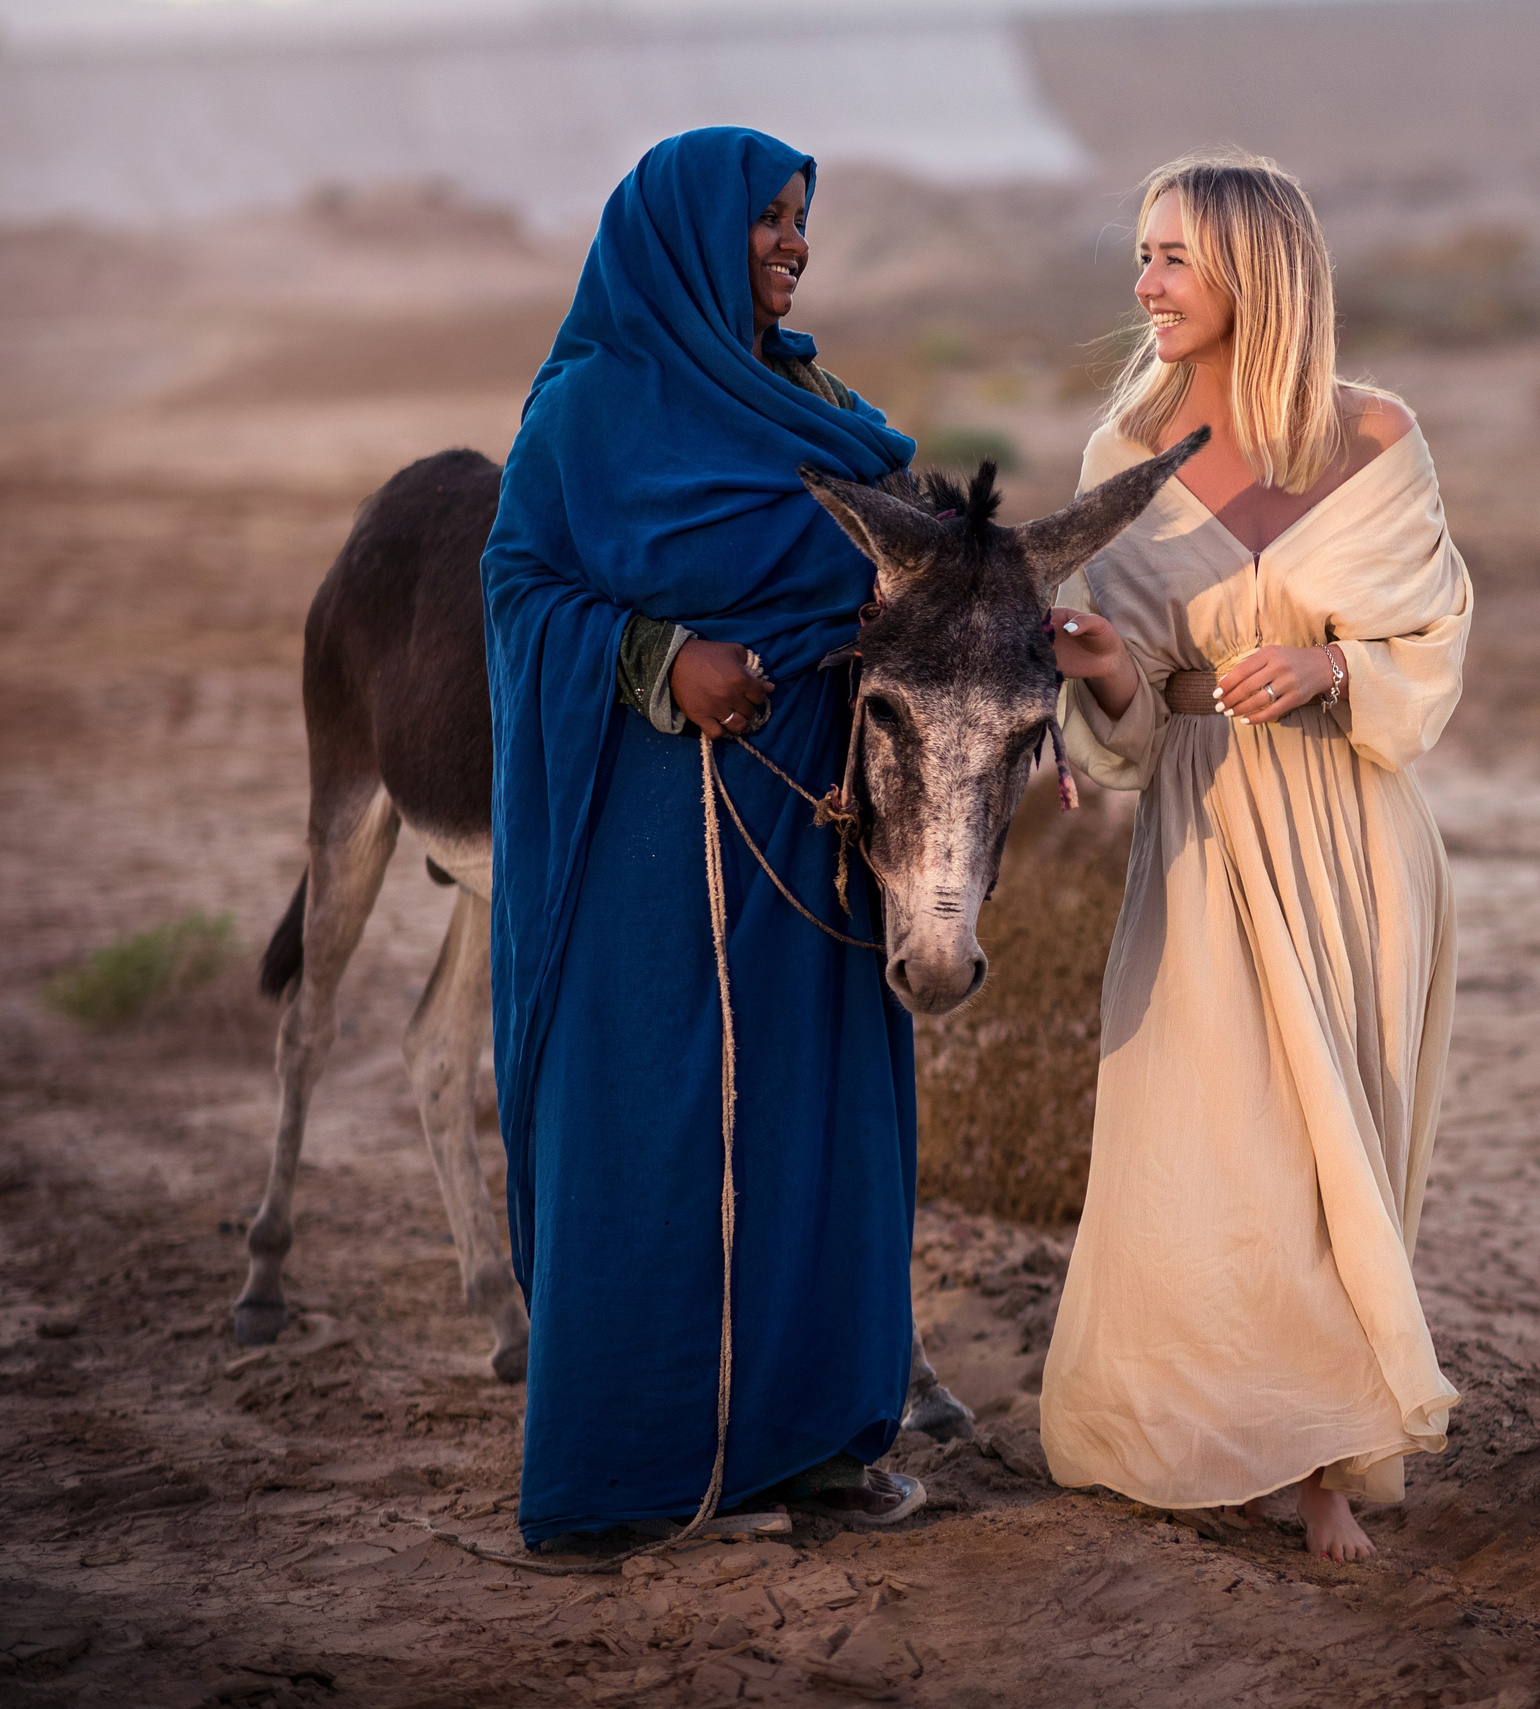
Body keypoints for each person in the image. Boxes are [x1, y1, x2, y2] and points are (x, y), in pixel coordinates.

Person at [481, 127, 926, 1551]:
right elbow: (518, 596)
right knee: (651, 1126)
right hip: (651, 848)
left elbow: (898, 567)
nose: (798, 243)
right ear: (687, 236)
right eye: (770, 220)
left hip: (810, 838)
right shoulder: (589, 415)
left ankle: (811, 1448)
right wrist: (660, 659)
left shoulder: (819, 403)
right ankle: (624, 1475)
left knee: (816, 1122)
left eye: (805, 220)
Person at [1040, 151, 1472, 1562]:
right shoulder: (1126, 460)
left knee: (1322, 1142)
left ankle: (1322, 1458)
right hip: (1207, 827)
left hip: (1349, 828)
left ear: (1252, 275)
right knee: (1207, 1142)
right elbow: (1124, 697)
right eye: (1144, 255)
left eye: (1172, 257)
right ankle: (1205, 1437)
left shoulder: (1378, 438)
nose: (1144, 282)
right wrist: (1105, 665)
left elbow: (1434, 643)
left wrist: (1331, 663)